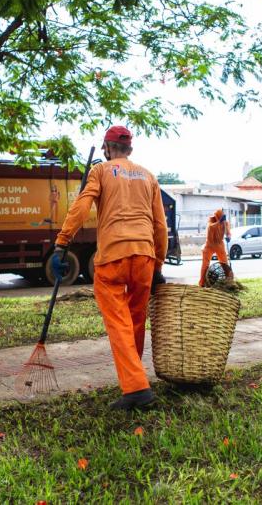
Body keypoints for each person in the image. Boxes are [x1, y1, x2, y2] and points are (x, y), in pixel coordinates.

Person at [51, 126, 168, 410]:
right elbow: (159, 225)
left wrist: (62, 242)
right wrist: (158, 265)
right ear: (130, 149)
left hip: (113, 257)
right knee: (136, 320)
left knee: (118, 322)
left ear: (107, 147)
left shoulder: (101, 172)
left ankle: (137, 389)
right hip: (143, 255)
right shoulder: (148, 176)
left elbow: (81, 206)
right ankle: (135, 380)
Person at [199, 208, 232, 286]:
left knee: (224, 262)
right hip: (209, 244)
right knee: (205, 264)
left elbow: (228, 233)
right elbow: (211, 227)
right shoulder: (211, 221)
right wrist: (219, 221)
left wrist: (229, 237)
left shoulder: (225, 223)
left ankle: (229, 281)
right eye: (219, 216)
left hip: (219, 244)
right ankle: (202, 283)